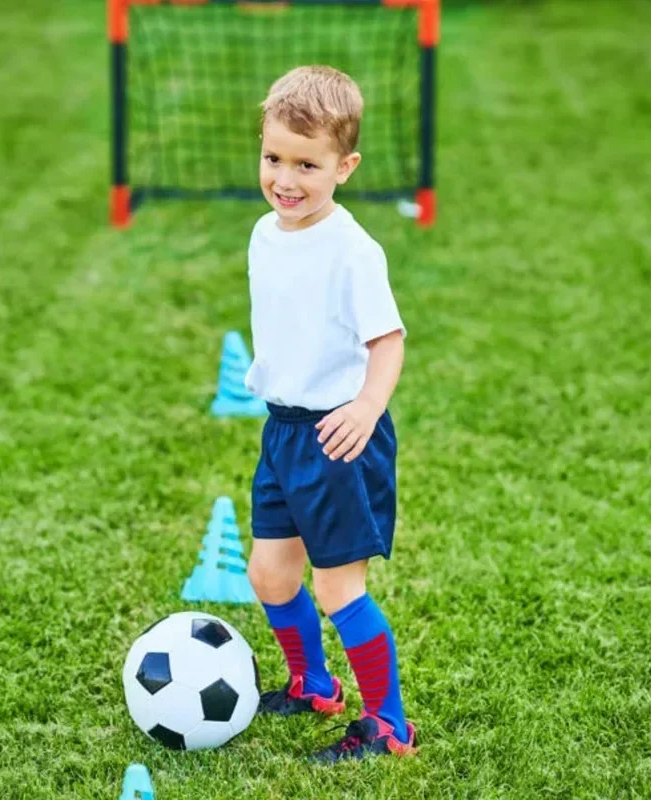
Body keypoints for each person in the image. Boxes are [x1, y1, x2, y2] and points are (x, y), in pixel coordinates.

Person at [245, 65, 417, 764]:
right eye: (273, 158)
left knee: (338, 587)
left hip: (337, 436)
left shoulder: (353, 251)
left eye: (306, 165)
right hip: (283, 431)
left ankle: (388, 724)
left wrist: (368, 407)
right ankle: (314, 683)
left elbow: (388, 341)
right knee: (269, 575)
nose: (285, 179)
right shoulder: (265, 231)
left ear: (344, 167)